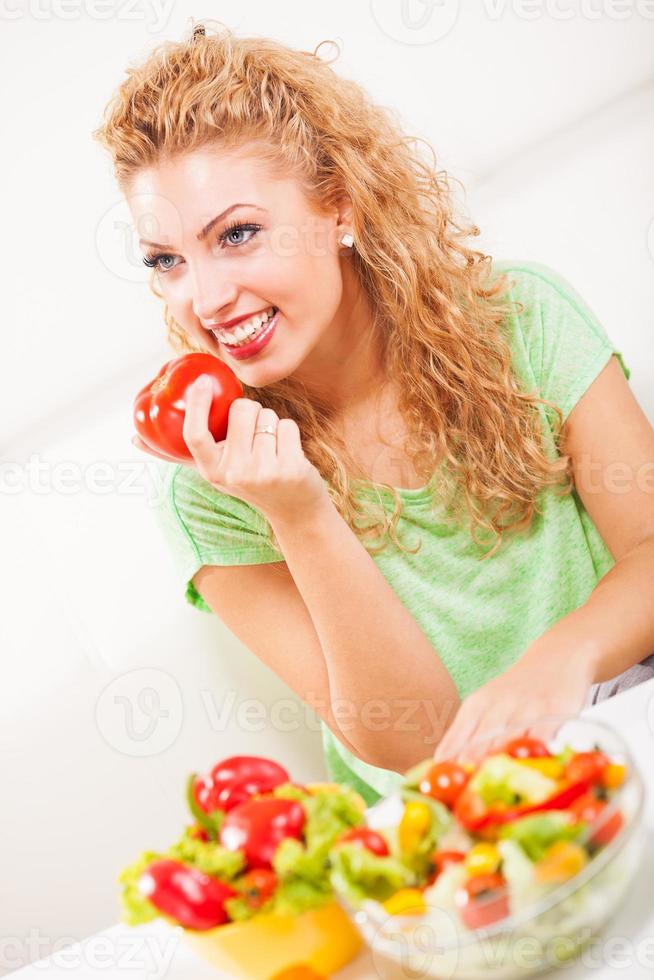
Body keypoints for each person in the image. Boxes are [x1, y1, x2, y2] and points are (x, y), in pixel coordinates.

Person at [92, 22, 654, 807]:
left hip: (630, 719)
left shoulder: (521, 318)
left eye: (239, 234)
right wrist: (299, 512)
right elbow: (417, 742)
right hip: (455, 821)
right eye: (167, 261)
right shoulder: (209, 487)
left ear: (340, 208)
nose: (206, 298)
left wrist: (559, 662)